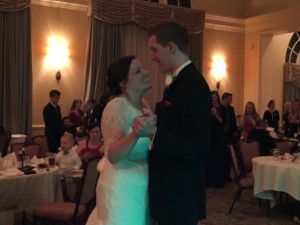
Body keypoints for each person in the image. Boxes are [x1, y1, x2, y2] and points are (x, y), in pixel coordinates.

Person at [148, 21, 211, 225]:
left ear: (171, 47)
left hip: (180, 196)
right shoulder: (178, 82)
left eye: (154, 50)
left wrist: (155, 134)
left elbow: (199, 149)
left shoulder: (193, 85)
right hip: (171, 193)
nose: (152, 56)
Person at [86, 55, 156, 225]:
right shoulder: (116, 106)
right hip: (122, 186)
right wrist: (136, 134)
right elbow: (113, 155)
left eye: (143, 68)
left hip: (142, 182)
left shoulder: (145, 104)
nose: (146, 72)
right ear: (123, 84)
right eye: (138, 71)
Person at [206, 90, 227, 188]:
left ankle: (218, 181)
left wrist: (215, 113)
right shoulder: (207, 108)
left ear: (217, 98)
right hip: (210, 135)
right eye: (211, 97)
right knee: (210, 158)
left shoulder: (221, 108)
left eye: (214, 97)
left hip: (218, 136)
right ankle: (209, 181)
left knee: (218, 158)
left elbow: (222, 122)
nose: (212, 99)